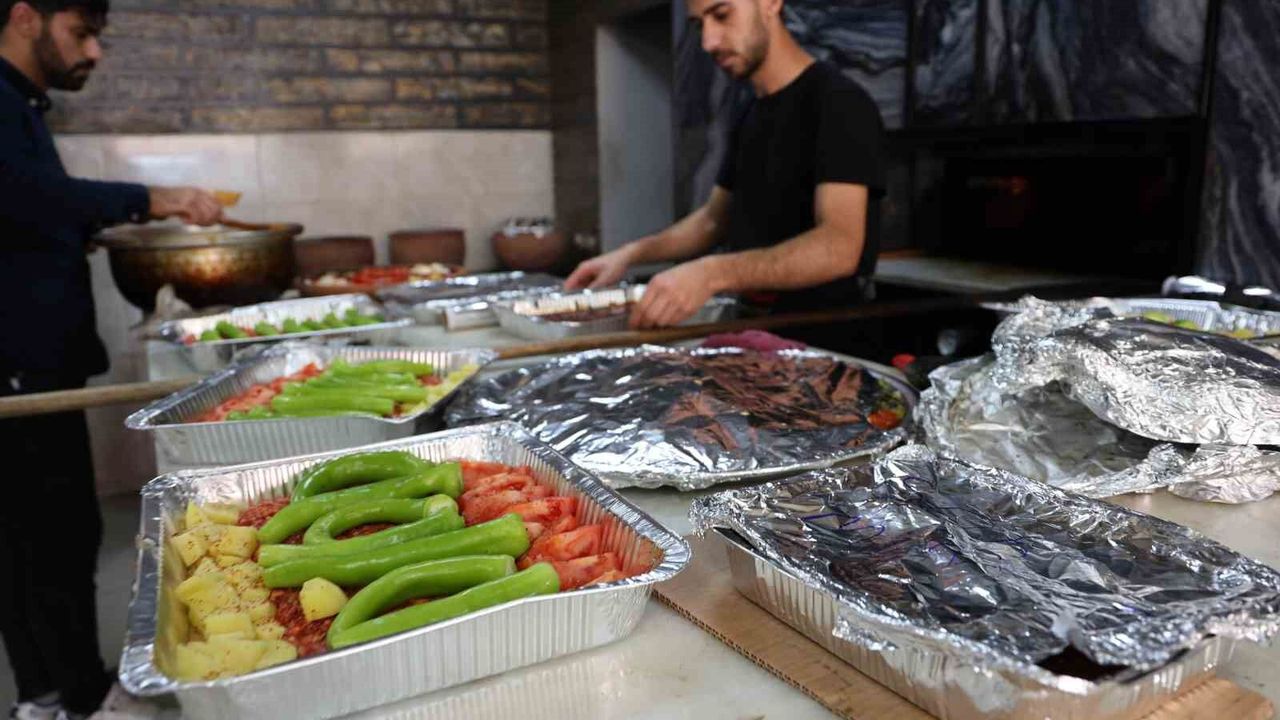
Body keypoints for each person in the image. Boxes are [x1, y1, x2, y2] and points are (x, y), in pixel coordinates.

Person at [0, 2, 223, 718]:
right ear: (25, 17)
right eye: (81, 32)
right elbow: (23, 194)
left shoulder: (22, 104)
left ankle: (50, 692)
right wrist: (150, 198)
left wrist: (72, 235)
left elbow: (23, 215)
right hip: (19, 364)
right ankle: (75, 696)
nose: (93, 51)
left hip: (32, 358)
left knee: (35, 535)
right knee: (51, 535)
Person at [566, 0, 886, 330]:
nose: (708, 42)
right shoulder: (749, 112)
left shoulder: (839, 103)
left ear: (771, 4)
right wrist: (629, 255)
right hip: (756, 332)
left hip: (823, 339)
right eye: (699, 25)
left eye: (722, 15)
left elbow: (838, 247)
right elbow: (712, 221)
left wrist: (712, 273)